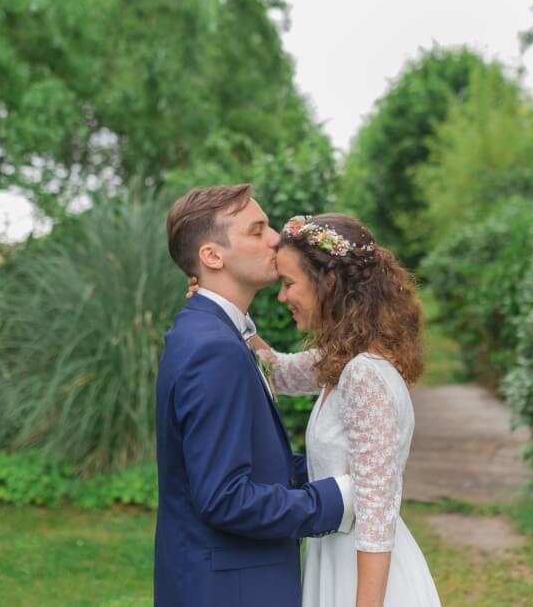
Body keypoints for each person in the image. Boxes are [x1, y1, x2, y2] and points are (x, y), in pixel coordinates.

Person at [154, 185, 354, 607]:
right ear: (212, 256)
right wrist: (337, 499)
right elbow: (225, 497)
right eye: (257, 230)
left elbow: (252, 464)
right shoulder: (214, 347)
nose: (276, 240)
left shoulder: (217, 333)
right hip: (230, 590)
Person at [264, 213, 442, 607]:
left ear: (328, 283)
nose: (282, 297)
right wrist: (225, 310)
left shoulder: (363, 374)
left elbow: (376, 513)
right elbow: (277, 371)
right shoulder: (344, 361)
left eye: (288, 283)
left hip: (361, 575)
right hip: (335, 558)